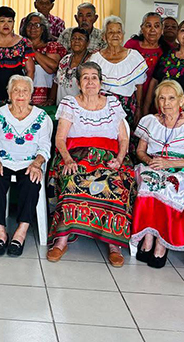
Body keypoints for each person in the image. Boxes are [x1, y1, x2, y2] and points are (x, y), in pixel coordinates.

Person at [47, 62, 134, 267]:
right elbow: (60, 139)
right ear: (78, 83)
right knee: (73, 182)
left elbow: (123, 139)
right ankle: (62, 239)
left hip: (110, 158)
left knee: (115, 185)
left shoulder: (113, 104)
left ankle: (114, 244)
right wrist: (68, 159)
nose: (90, 82)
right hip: (76, 156)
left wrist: (120, 159)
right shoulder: (70, 103)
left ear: (101, 81)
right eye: (85, 77)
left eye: (94, 77)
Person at [131, 80, 184, 268]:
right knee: (148, 184)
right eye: (162, 98)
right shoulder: (150, 121)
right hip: (155, 164)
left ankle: (162, 243)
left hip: (183, 168)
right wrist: (150, 161)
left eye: (171, 98)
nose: (166, 103)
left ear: (181, 101)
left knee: (168, 187)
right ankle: (148, 237)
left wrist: (170, 163)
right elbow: (140, 152)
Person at [0, 75, 52, 257]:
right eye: (16, 90)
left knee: (32, 181)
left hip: (30, 162)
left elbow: (45, 146)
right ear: (9, 93)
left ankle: (21, 232)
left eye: (24, 91)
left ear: (31, 94)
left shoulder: (41, 117)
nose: (20, 94)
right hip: (4, 161)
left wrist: (37, 164)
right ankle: (0, 232)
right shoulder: (0, 114)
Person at [90, 16, 147, 128]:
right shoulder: (95, 59)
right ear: (104, 37)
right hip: (102, 107)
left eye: (118, 32)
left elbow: (139, 86)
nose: (115, 35)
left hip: (128, 107)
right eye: (111, 32)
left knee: (125, 138)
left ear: (123, 35)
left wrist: (139, 109)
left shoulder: (134, 56)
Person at [20, 11, 65, 106]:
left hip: (46, 98)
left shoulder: (51, 46)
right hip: (21, 96)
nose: (33, 28)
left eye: (37, 25)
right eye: (29, 24)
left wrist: (33, 51)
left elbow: (53, 67)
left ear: (43, 29)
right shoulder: (19, 47)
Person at [125, 12, 169, 82]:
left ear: (162, 29)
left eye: (156, 26)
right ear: (142, 29)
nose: (152, 30)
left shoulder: (167, 49)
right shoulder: (132, 45)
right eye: (148, 26)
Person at [52, 28, 92, 103]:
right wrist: (51, 99)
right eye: (73, 38)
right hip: (61, 107)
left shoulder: (91, 62)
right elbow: (56, 82)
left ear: (87, 43)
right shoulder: (65, 59)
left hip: (80, 109)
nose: (76, 41)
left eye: (80, 39)